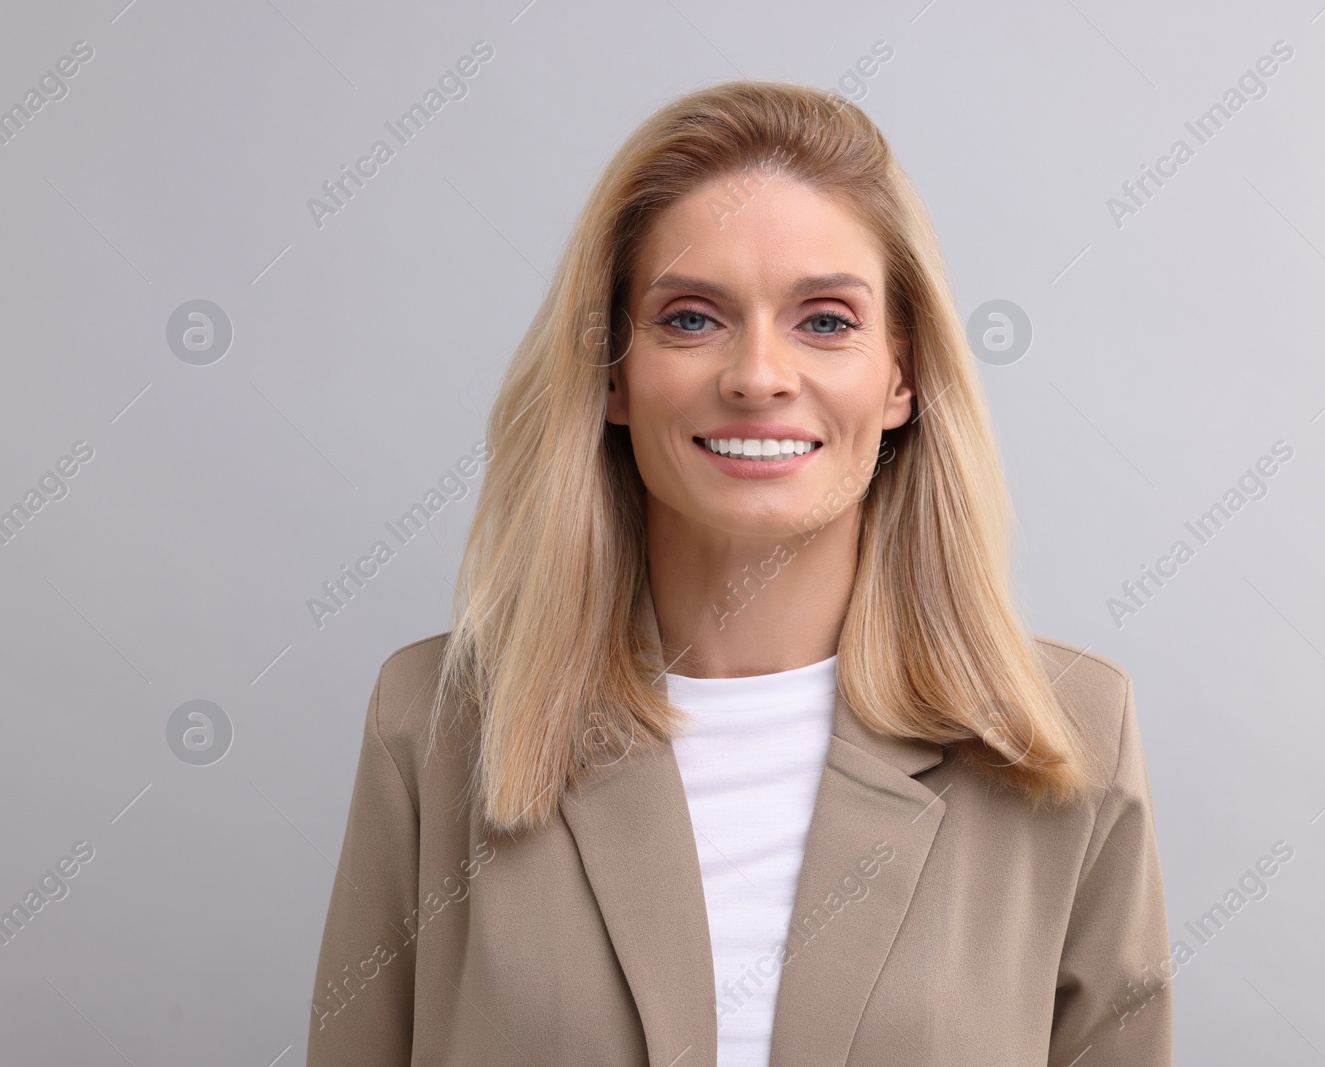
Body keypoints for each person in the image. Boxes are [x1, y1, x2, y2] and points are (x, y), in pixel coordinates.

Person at [306, 79, 1172, 1066]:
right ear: (612, 374)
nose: (757, 375)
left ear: (902, 375)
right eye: (689, 318)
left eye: (826, 320)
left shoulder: (1069, 735)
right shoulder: (433, 722)